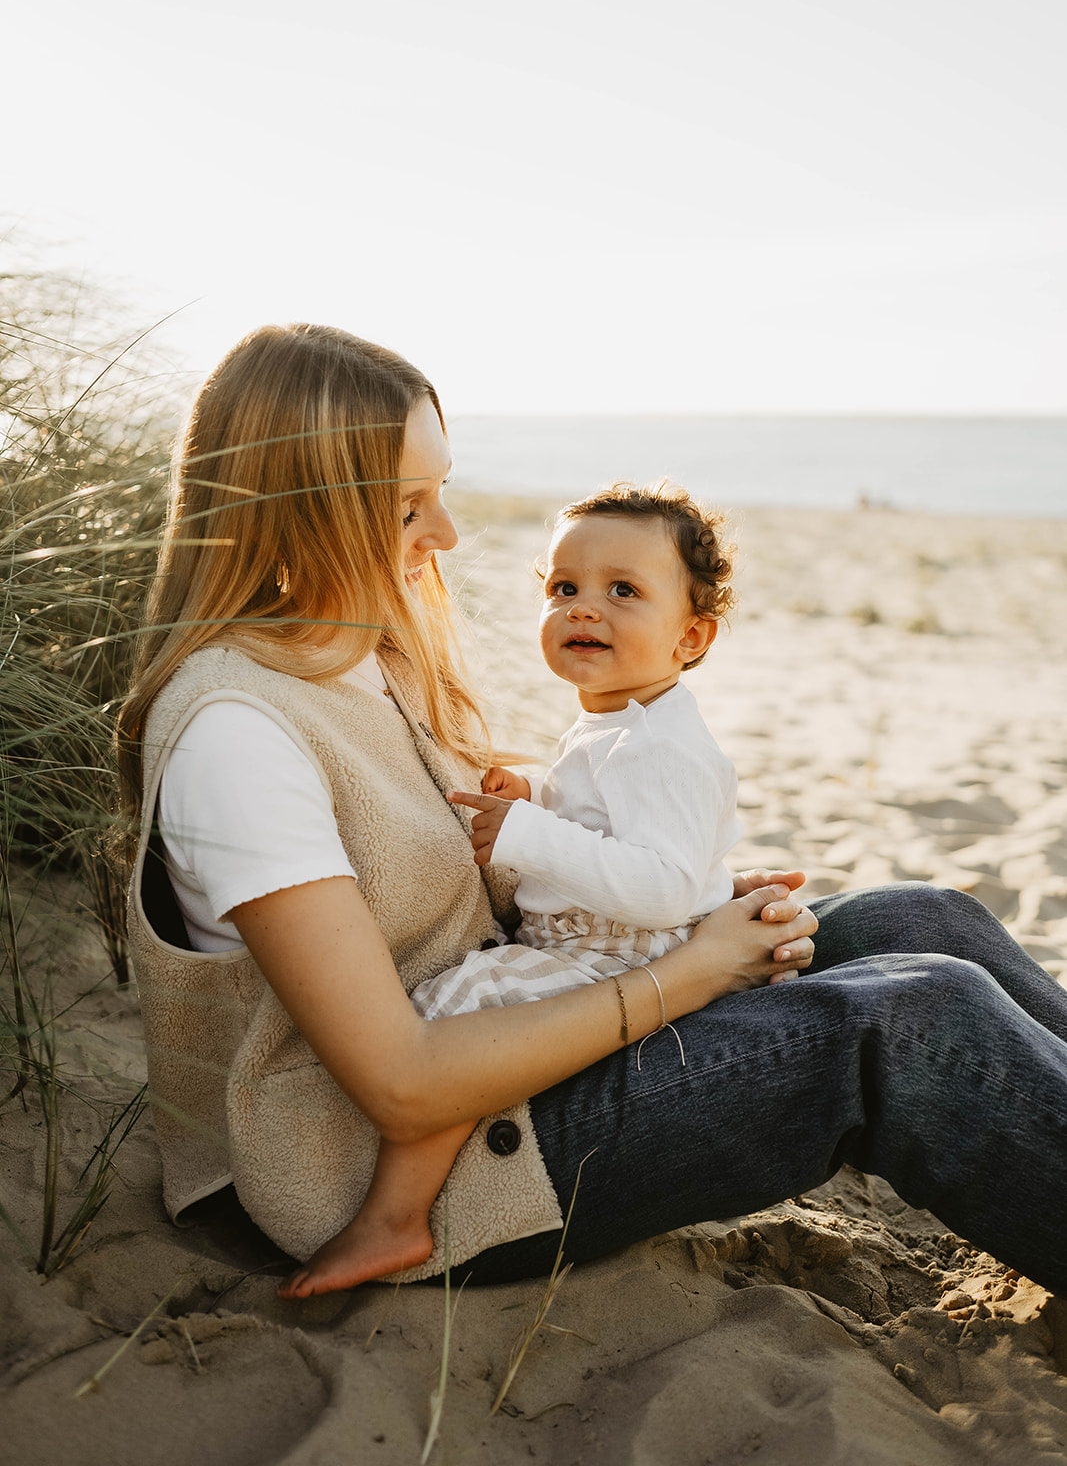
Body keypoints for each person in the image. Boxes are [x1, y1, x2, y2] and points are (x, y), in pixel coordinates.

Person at [119, 323, 1067, 1312]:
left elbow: (461, 877)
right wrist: (688, 967)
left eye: (441, 490)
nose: (443, 534)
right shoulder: (235, 732)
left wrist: (684, 894)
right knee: (909, 1021)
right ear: (307, 507)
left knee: (920, 924)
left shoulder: (369, 655)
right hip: (411, 1160)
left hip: (526, 1013)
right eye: (408, 507)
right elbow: (400, 1084)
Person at [281, 483, 751, 1296]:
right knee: (458, 1007)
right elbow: (609, 820)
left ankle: (393, 1220)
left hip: (618, 952)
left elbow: (667, 886)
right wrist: (539, 791)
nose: (584, 609)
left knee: (458, 1014)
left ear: (691, 636)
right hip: (593, 939)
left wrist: (531, 833)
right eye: (563, 588)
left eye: (623, 592)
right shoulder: (617, 720)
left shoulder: (662, 747)